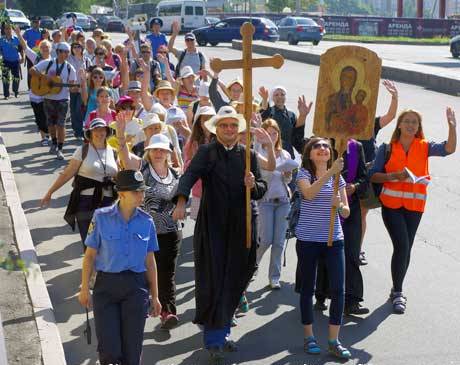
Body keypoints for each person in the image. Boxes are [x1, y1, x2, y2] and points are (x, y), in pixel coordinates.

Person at [172, 106, 267, 363]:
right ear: (217, 129)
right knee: (214, 279)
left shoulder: (248, 155)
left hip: (241, 225)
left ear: (238, 129)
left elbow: (261, 188)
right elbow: (189, 175)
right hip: (213, 225)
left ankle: (223, 331)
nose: (229, 130)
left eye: (233, 126)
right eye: (224, 126)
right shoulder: (207, 152)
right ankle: (214, 338)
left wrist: (253, 185)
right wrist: (181, 201)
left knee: (237, 276)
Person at [370, 108, 457, 314]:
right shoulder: (387, 148)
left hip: (415, 207)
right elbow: (373, 176)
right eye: (407, 121)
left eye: (414, 123)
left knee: (406, 248)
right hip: (391, 206)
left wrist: (452, 127)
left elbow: (449, 149)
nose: (411, 125)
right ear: (399, 124)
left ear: (419, 128)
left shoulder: (424, 147)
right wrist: (394, 176)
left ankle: (395, 289)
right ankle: (398, 292)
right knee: (401, 245)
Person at [78, 169, 162, 365]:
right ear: (121, 193)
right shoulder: (100, 217)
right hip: (106, 286)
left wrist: (156, 296)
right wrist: (84, 288)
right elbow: (89, 256)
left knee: (132, 349)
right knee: (109, 348)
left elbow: (150, 261)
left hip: (136, 287)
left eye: (142, 191)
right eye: (136, 192)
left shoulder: (146, 221)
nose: (141, 195)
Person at [116, 115, 183, 329]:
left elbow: (182, 196)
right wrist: (120, 134)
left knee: (167, 273)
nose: (159, 153)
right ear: (149, 151)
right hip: (145, 232)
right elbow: (125, 157)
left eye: (163, 150)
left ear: (168, 153)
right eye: (155, 149)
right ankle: (144, 306)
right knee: (144, 271)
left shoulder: (175, 173)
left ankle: (168, 312)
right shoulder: (142, 168)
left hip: (171, 231)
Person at [295, 137, 351, 360]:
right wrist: (329, 172)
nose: (322, 149)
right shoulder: (304, 175)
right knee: (307, 289)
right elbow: (308, 194)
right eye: (317, 146)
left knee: (339, 290)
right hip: (308, 240)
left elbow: (346, 211)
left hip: (334, 240)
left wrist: (340, 206)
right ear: (309, 153)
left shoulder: (339, 179)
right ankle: (309, 337)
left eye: (326, 146)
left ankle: (333, 340)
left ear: (331, 152)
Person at [41, 118, 118, 248]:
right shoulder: (83, 150)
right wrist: (50, 192)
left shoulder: (113, 152)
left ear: (107, 131)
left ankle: (102, 268)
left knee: (107, 241)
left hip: (108, 202)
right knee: (90, 242)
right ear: (90, 133)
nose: (100, 133)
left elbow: (117, 177)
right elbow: (67, 173)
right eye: (96, 130)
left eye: (102, 129)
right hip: (85, 202)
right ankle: (90, 268)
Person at [358, 80, 398, 266]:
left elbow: (390, 116)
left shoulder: (371, 123)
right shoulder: (341, 122)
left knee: (363, 212)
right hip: (347, 171)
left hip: (367, 172)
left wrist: (394, 96)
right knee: (344, 212)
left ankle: (357, 249)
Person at [256, 118, 297, 290]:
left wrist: (287, 173)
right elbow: (263, 175)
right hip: (265, 201)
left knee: (279, 241)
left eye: (275, 133)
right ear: (262, 134)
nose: (272, 136)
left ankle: (274, 277)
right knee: (265, 239)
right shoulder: (257, 151)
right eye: (268, 133)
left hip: (283, 200)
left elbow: (287, 180)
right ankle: (252, 265)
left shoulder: (284, 153)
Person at [29, 42, 77, 160]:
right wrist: (45, 78)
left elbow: (72, 86)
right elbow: (32, 70)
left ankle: (60, 149)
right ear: (58, 52)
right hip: (48, 98)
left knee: (61, 125)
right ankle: (54, 143)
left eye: (67, 52)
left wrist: (75, 88)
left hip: (63, 100)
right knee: (51, 124)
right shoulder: (49, 63)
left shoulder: (70, 68)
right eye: (63, 52)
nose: (66, 54)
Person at [14, 26, 50, 145]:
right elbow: (25, 47)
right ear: (40, 49)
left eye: (47, 47)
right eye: (43, 47)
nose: (45, 49)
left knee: (48, 115)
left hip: (50, 93)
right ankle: (44, 137)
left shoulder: (54, 61)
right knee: (39, 115)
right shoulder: (36, 58)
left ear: (50, 49)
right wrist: (19, 34)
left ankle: (49, 133)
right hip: (35, 93)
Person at [259, 85, 312, 159]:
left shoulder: (291, 114)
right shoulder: (270, 111)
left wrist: (303, 116)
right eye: (276, 95)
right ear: (272, 98)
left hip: (288, 154)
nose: (279, 97)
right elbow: (264, 112)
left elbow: (297, 136)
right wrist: (264, 99)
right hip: (271, 154)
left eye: (282, 94)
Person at [183, 105, 216, 220]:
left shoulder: (221, 140)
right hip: (199, 192)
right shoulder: (192, 143)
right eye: (204, 118)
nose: (208, 121)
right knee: (200, 229)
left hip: (217, 192)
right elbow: (186, 169)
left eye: (211, 118)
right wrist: (195, 160)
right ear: (199, 122)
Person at [69, 41, 92, 139]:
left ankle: (79, 131)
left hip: (83, 89)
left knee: (79, 110)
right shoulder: (69, 59)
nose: (77, 48)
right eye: (74, 47)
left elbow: (91, 72)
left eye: (79, 46)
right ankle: (75, 128)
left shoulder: (87, 60)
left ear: (82, 48)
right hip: (71, 88)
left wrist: (85, 75)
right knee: (73, 111)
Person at [0, 23, 24, 99]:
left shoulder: (16, 39)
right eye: (6, 29)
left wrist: (23, 58)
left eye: (9, 29)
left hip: (15, 61)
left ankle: (16, 92)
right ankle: (6, 95)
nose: (8, 30)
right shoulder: (1, 40)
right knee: (5, 78)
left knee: (16, 77)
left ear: (12, 30)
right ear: (4, 30)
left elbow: (21, 50)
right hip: (5, 61)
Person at [22, 16, 42, 88]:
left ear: (40, 22)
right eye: (34, 22)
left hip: (40, 55)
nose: (36, 24)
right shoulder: (28, 32)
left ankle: (39, 85)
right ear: (32, 23)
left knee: (40, 70)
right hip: (30, 54)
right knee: (30, 70)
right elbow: (22, 41)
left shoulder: (42, 31)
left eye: (37, 22)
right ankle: (30, 87)